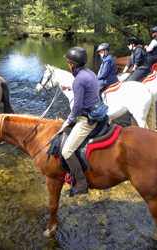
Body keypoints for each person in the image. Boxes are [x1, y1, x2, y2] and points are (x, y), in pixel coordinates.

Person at [60, 47, 100, 196]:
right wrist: (69, 87)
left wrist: (69, 120)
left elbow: (76, 107)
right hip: (98, 112)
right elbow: (85, 87)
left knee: (67, 151)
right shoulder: (89, 73)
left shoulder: (78, 79)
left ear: (71, 63)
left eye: (68, 62)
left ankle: (81, 183)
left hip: (87, 119)